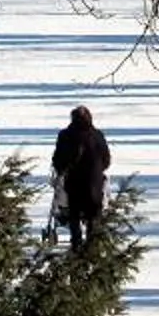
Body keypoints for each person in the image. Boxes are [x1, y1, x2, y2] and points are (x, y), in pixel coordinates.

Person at [50, 104, 112, 253]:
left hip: (74, 180)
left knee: (74, 212)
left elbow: (58, 159)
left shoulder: (65, 135)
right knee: (93, 211)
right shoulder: (97, 135)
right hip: (94, 180)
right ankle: (92, 242)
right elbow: (106, 159)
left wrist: (60, 170)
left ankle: (76, 241)